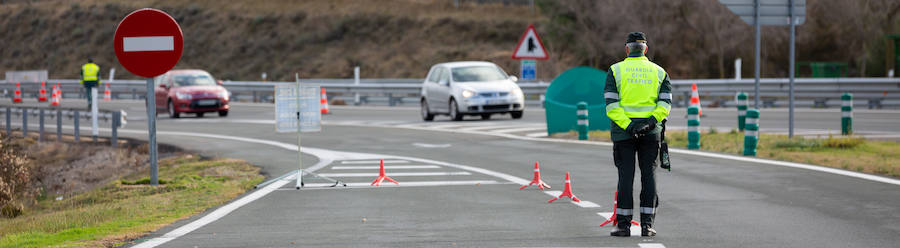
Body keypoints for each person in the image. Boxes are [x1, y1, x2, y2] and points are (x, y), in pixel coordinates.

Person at [603, 32, 672, 237]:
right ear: (645, 49)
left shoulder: (615, 70)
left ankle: (623, 226)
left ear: (627, 49)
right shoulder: (659, 72)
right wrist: (650, 124)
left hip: (623, 133)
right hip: (651, 134)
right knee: (649, 176)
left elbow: (611, 105)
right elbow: (665, 104)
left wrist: (630, 126)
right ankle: (647, 225)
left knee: (625, 177)